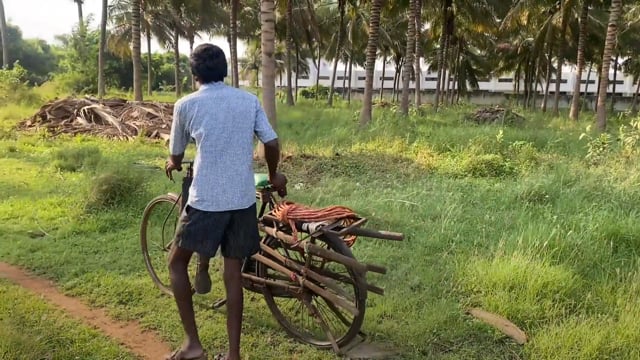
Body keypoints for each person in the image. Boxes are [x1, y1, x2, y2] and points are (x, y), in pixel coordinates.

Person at [164, 43, 287, 360]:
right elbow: (271, 142)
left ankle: (193, 345)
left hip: (206, 200)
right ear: (225, 71)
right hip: (241, 200)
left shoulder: (186, 105)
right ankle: (233, 356)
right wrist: (274, 175)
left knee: (177, 263)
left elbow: (176, 154)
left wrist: (173, 163)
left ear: (194, 74)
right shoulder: (248, 101)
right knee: (233, 275)